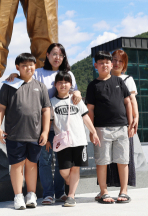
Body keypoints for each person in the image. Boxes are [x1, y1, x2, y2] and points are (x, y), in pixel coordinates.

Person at [7, 43, 82, 205]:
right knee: (45, 159)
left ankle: (60, 192)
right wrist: (15, 74)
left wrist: (77, 92)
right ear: (47, 55)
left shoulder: (68, 73)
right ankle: (48, 194)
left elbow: (73, 91)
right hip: (44, 123)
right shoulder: (39, 73)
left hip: (63, 125)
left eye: (61, 55)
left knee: (62, 159)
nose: (57, 58)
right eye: (54, 54)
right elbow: (25, 80)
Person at [0, 53, 51, 210]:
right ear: (17, 67)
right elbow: (0, 107)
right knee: (17, 165)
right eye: (24, 65)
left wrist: (45, 131)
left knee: (32, 165)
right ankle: (18, 196)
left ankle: (31, 195)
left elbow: (46, 111)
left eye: (31, 64)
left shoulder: (41, 87)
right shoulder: (9, 85)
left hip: (35, 133)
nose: (29, 68)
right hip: (14, 133)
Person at [86, 51, 134, 204]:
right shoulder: (93, 86)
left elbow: (128, 102)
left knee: (123, 160)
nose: (105, 65)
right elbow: (90, 109)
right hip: (101, 129)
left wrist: (131, 122)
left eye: (107, 62)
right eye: (101, 62)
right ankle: (104, 191)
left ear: (111, 64)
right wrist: (92, 131)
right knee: (102, 161)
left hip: (121, 127)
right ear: (96, 66)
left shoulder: (119, 82)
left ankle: (124, 191)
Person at [49, 71, 100, 207]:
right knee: (64, 171)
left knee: (75, 169)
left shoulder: (76, 100)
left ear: (71, 85)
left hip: (79, 141)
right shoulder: (52, 102)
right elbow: (49, 122)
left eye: (66, 82)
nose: (63, 85)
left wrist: (93, 132)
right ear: (55, 85)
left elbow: (85, 117)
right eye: (60, 82)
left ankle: (71, 196)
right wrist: (46, 136)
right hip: (63, 142)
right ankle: (68, 182)